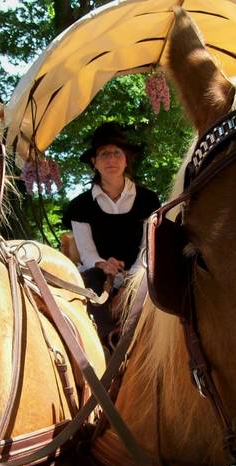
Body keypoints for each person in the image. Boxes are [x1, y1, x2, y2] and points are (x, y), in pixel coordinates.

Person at [62, 122, 161, 346]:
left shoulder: (148, 200)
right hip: (99, 277)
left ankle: (139, 342)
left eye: (117, 153)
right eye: (104, 154)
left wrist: (127, 285)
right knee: (88, 285)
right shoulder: (80, 206)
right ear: (94, 162)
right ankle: (104, 345)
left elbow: (148, 250)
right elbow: (87, 253)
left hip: (139, 273)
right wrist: (103, 266)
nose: (111, 159)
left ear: (126, 160)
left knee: (149, 282)